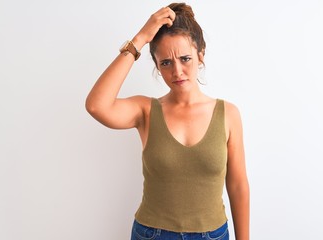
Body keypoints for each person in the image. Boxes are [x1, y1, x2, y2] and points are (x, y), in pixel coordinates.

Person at [85, 3, 249, 240]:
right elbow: (96, 105)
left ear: (200, 55)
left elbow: (238, 185)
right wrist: (140, 39)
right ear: (157, 66)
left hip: (213, 235)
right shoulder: (146, 111)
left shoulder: (228, 114)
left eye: (185, 58)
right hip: (152, 234)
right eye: (166, 63)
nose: (177, 71)